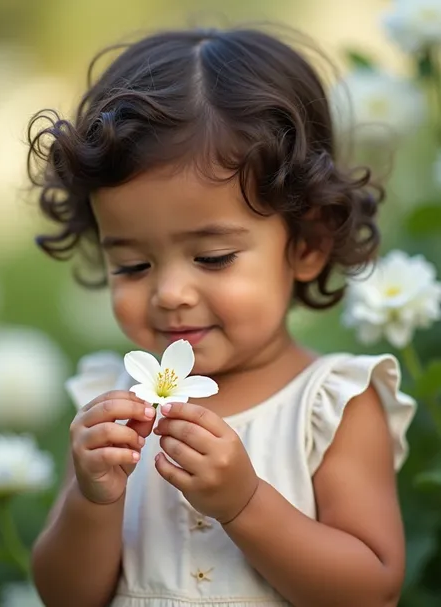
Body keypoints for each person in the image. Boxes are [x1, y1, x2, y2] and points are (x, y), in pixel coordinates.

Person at [28, 26, 416, 607]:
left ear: (307, 243)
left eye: (213, 257)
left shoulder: (332, 404)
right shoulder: (112, 398)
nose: (170, 292)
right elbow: (64, 596)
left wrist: (245, 502)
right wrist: (92, 500)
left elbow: (371, 588)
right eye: (132, 264)